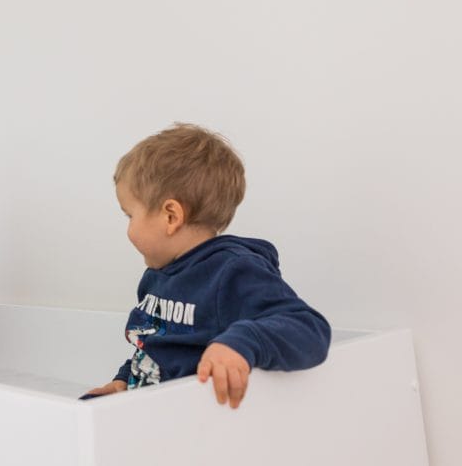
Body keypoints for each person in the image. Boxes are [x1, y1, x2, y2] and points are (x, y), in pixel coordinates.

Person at [83, 124, 330, 408]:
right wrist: (124, 381)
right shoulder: (155, 278)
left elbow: (310, 329)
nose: (128, 227)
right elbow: (152, 347)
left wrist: (239, 343)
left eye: (130, 215)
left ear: (171, 216)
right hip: (146, 406)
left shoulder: (231, 271)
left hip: (187, 417)